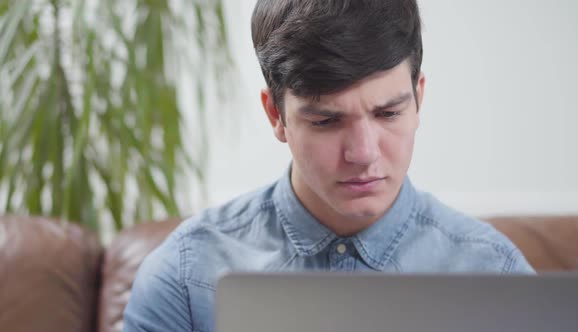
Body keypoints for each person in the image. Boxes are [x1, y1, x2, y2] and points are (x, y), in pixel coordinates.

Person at [124, 0, 535, 331]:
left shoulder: (497, 273)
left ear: (418, 99)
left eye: (388, 114)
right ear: (275, 115)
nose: (364, 153)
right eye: (326, 121)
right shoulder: (185, 273)